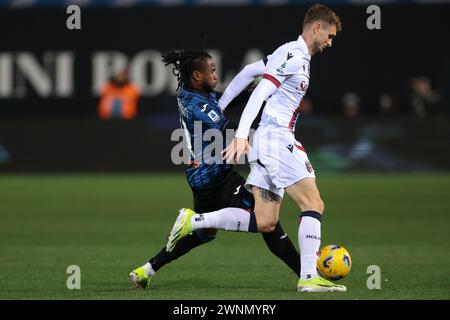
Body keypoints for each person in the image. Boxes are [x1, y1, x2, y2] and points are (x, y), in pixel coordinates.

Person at [166, 4, 346, 292]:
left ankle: (195, 219)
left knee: (265, 220)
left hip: (267, 142)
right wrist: (240, 134)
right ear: (316, 28)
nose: (330, 42)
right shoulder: (294, 56)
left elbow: (250, 71)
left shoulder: (285, 53)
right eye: (330, 35)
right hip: (277, 139)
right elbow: (261, 89)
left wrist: (221, 106)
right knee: (313, 203)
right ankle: (309, 277)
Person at [129, 49, 301, 289]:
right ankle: (306, 273)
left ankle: (147, 270)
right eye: (211, 71)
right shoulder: (196, 105)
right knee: (266, 219)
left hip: (203, 176)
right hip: (213, 176)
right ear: (197, 76)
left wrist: (253, 90)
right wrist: (267, 124)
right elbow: (228, 126)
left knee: (203, 234)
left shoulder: (194, 91)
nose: (216, 75)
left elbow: (224, 98)